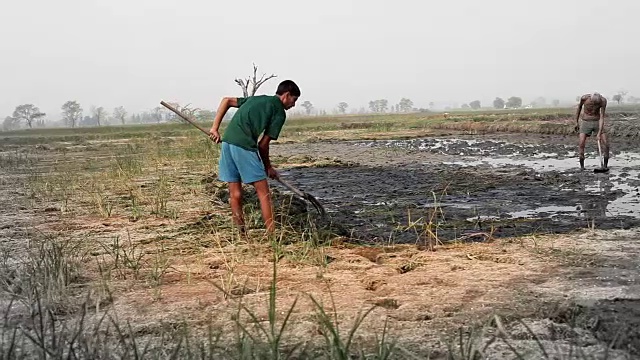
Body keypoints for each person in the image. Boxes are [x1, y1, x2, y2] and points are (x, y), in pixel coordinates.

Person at [208, 80, 300, 235]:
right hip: (243, 146)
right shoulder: (279, 112)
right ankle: (273, 236)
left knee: (235, 193)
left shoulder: (257, 98)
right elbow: (263, 145)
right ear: (286, 95)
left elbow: (227, 100)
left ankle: (241, 234)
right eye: (294, 100)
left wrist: (214, 128)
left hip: (228, 144)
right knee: (264, 193)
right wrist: (268, 167)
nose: (293, 104)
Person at [575, 92, 609, 170]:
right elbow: (579, 108)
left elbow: (602, 117)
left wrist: (599, 132)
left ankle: (605, 166)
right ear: (590, 99)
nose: (594, 105)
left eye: (597, 104)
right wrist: (576, 122)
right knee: (581, 143)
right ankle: (582, 167)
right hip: (585, 122)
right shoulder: (584, 98)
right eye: (593, 103)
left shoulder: (603, 101)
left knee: (606, 144)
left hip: (597, 121)